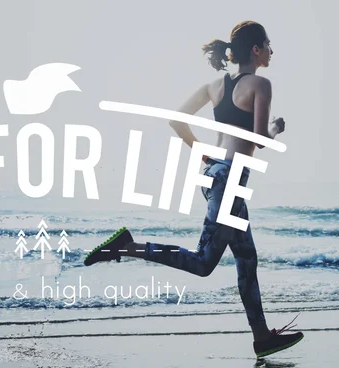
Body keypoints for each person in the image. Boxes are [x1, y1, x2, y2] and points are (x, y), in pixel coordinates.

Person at [83, 20, 304, 358]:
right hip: (229, 180)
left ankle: (262, 337)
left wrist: (201, 150)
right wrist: (274, 128)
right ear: (256, 49)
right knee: (204, 263)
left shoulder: (214, 85)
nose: (272, 51)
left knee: (247, 257)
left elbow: (176, 119)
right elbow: (258, 140)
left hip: (216, 175)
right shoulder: (261, 84)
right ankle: (127, 247)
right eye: (268, 44)